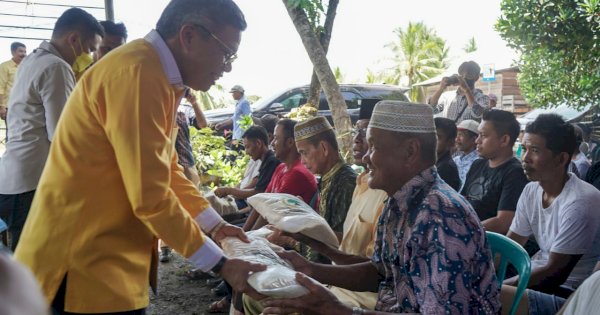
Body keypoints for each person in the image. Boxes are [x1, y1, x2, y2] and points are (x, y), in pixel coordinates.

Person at [14, 1, 267, 314]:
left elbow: (167, 169)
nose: (227, 66)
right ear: (188, 36)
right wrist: (221, 264)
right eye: (226, 52)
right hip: (80, 265)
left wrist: (215, 226)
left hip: (106, 262)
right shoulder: (137, 73)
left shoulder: (156, 74)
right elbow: (151, 195)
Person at [260, 101, 501, 315]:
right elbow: (381, 273)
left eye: (374, 146)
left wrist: (337, 310)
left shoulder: (441, 218)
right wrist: (311, 269)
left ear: (410, 151)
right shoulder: (399, 201)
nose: (365, 157)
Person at [0, 8, 104, 252]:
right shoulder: (57, 67)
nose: (89, 57)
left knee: (25, 264)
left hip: (13, 178)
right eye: (89, 49)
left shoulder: (32, 60)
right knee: (38, 266)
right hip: (31, 184)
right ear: (73, 39)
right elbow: (62, 135)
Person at [505, 114, 600, 296]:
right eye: (524, 149)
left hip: (569, 292)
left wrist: (494, 287)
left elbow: (554, 274)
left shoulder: (580, 202)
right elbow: (511, 245)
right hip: (533, 275)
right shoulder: (531, 190)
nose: (525, 158)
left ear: (561, 159)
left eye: (534, 150)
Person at [461, 109, 528, 234]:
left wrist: (464, 231)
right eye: (478, 135)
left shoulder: (515, 173)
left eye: (483, 135)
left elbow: (503, 222)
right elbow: (462, 200)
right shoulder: (477, 164)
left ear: (504, 140)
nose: (477, 141)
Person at [243, 119, 317, 231]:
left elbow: (270, 212)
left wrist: (248, 239)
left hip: (286, 236)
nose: (272, 143)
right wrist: (244, 232)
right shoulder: (281, 167)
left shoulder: (297, 174)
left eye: (276, 138)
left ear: (290, 142)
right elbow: (261, 205)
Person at [294, 116, 357, 244]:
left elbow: (341, 241)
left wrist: (292, 241)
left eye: (304, 153)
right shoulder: (329, 176)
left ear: (324, 148)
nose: (302, 161)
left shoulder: (346, 182)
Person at [214, 125, 281, 203]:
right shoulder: (265, 161)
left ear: (258, 143)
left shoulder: (271, 162)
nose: (246, 151)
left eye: (247, 147)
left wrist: (229, 191)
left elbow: (257, 192)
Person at [0, 42, 26, 122]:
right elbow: (1, 87)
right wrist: (2, 107)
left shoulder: (26, 66)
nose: (24, 54)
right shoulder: (4, 66)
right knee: (11, 133)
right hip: (9, 106)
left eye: (25, 51)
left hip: (23, 105)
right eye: (20, 51)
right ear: (13, 52)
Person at [434, 117, 461, 191]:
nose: (432, 140)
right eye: (431, 136)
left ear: (451, 143)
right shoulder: (434, 163)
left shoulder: (446, 168)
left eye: (438, 137)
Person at [453, 119, 480, 190]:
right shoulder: (456, 160)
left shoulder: (479, 163)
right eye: (457, 135)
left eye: (461, 135)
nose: (457, 139)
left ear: (474, 139)